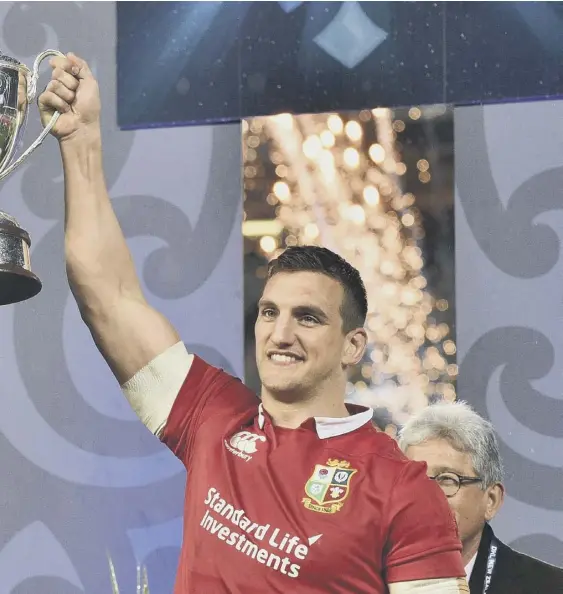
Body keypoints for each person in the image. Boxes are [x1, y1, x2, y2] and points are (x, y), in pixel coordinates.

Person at [38, 52, 469, 593]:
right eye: (270, 312)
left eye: (307, 318)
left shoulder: (404, 488)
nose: (280, 333)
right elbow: (108, 293)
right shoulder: (212, 415)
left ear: (352, 344)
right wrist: (81, 144)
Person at [399, 401, 563, 594]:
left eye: (448, 480)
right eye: (413, 478)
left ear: (491, 500)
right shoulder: (363, 583)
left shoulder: (550, 587)